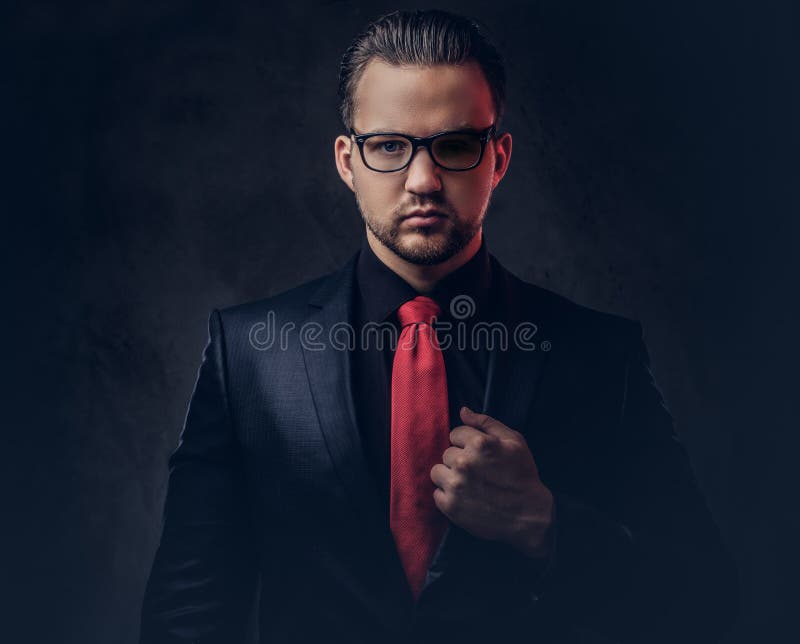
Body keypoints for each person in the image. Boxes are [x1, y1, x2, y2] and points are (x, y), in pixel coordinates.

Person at [139, 9, 739, 644]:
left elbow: (705, 596)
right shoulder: (249, 356)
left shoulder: (601, 354)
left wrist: (545, 523)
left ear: (498, 157)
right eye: (389, 146)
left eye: (454, 146)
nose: (423, 181)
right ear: (347, 161)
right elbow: (189, 612)